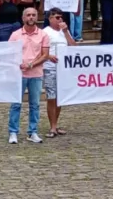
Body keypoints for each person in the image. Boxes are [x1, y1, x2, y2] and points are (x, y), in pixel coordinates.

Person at [7, 8, 50, 145]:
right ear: (23, 17)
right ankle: (13, 132)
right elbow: (9, 53)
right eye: (28, 15)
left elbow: (45, 55)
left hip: (36, 74)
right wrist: (17, 64)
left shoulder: (43, 35)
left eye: (33, 15)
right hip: (19, 74)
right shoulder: (15, 35)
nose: (31, 17)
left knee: (35, 104)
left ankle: (33, 131)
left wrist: (31, 65)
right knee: (15, 104)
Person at [42, 8, 76, 138]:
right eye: (56, 17)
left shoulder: (64, 32)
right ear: (50, 19)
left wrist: (66, 31)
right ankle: (52, 126)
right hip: (50, 67)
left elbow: (73, 46)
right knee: (52, 97)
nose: (60, 19)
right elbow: (39, 49)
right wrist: (48, 56)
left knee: (60, 98)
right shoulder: (45, 32)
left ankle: (55, 124)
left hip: (63, 68)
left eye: (61, 17)